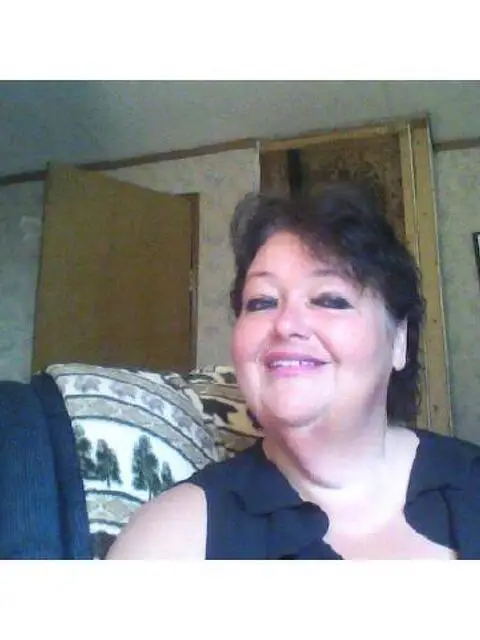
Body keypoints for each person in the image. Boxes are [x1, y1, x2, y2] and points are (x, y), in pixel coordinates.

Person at [107, 183, 480, 560]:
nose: (286, 324)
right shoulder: (170, 539)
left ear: (399, 341)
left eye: (330, 299)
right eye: (261, 301)